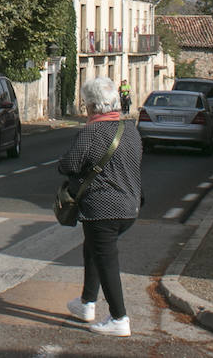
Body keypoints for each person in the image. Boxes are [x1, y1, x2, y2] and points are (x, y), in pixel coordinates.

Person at [58, 76, 143, 337]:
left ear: (93, 107)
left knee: (106, 259)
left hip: (102, 208)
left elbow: (69, 165)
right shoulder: (131, 130)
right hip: (130, 206)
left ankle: (119, 318)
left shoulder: (91, 133)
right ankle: (87, 303)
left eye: (86, 106)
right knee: (93, 249)